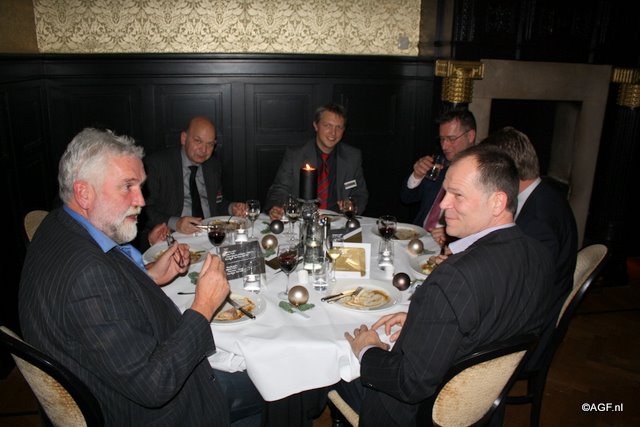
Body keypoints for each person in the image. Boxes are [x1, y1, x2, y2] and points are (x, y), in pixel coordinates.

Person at [19, 128, 262, 426]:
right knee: (271, 387)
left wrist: (148, 275)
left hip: (115, 374)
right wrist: (204, 306)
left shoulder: (58, 224)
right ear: (84, 192)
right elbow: (155, 385)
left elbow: (105, 308)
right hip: (149, 412)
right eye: (127, 187)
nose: (141, 200)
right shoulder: (87, 277)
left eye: (140, 186)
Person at [337, 144, 555, 426]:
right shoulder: (540, 256)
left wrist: (367, 349)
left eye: (457, 195)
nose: (442, 204)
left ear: (497, 202)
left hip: (414, 415)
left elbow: (409, 383)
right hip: (482, 406)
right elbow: (489, 320)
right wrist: (426, 319)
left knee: (324, 373)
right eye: (445, 193)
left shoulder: (454, 278)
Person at [481, 126, 578, 369]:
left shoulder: (539, 221)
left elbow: (520, 292)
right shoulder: (541, 194)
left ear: (507, 172)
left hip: (525, 334)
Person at [142, 116, 246, 242]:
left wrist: (231, 208)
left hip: (209, 236)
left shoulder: (213, 165)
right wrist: (176, 223)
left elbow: (216, 203)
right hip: (173, 236)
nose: (204, 150)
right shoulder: (157, 164)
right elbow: (144, 210)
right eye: (198, 141)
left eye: (210, 144)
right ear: (184, 138)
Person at [265, 103, 368, 219]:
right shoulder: (295, 155)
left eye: (339, 127)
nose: (333, 133)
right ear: (316, 125)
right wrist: (277, 207)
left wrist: (353, 205)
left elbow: (360, 194)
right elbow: (279, 190)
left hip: (339, 222)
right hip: (301, 220)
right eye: (327, 125)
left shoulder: (352, 157)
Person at [400, 109, 476, 245]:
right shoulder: (439, 163)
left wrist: (454, 234)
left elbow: (485, 224)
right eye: (442, 139)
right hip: (419, 236)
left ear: (470, 136)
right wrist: (417, 175)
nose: (444, 146)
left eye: (451, 139)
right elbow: (406, 198)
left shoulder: (483, 172)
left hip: (452, 245)